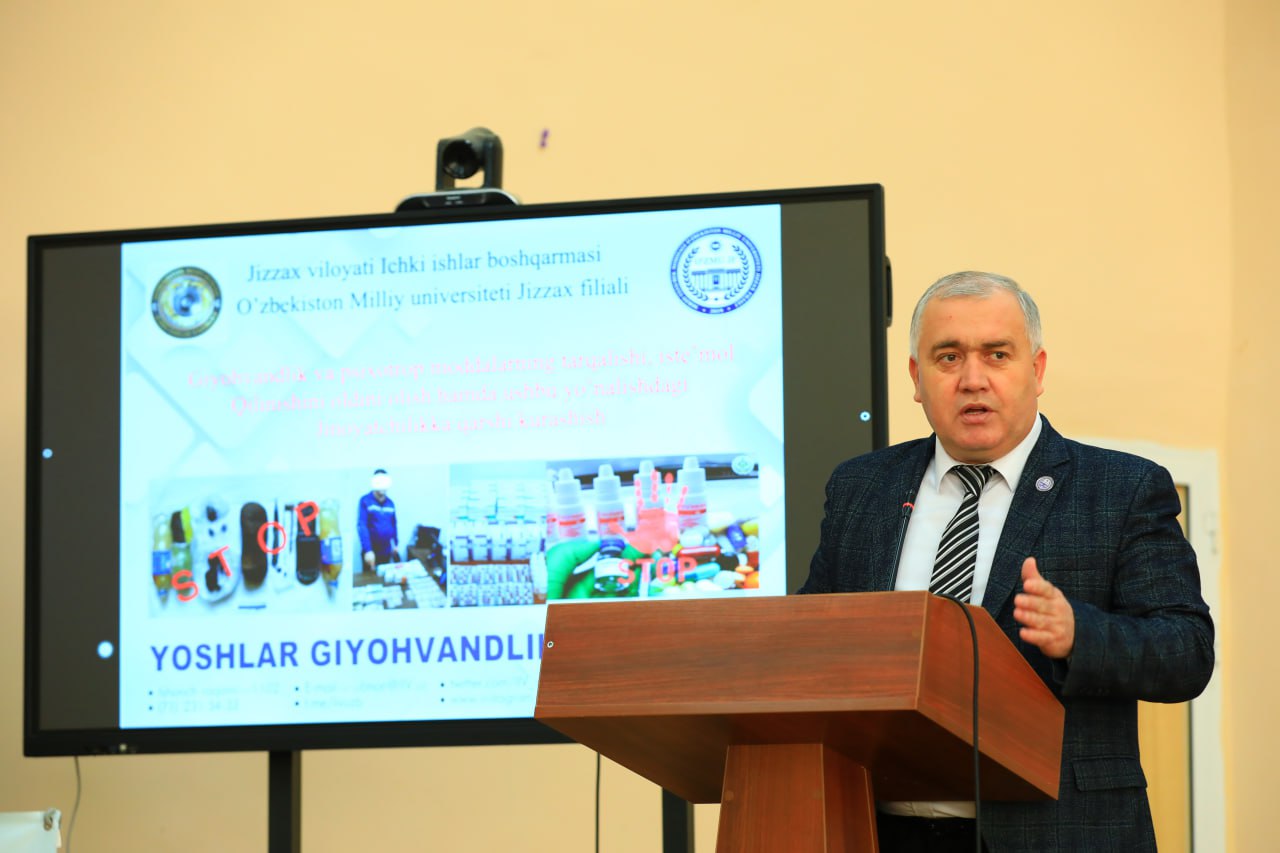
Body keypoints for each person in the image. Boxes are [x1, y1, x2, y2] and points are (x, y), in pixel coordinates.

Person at [801, 271, 1214, 851]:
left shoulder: (1120, 488)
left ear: (1036, 371)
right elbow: (810, 640)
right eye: (948, 357)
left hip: (1055, 832)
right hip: (877, 829)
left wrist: (1080, 635)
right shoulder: (862, 487)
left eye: (997, 354)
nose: (973, 379)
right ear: (917, 378)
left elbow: (1187, 651)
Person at [356, 468, 399, 572]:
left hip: (386, 551)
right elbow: (362, 525)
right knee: (370, 578)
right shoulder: (365, 501)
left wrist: (396, 543)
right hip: (371, 552)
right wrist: (368, 550)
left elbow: (394, 524)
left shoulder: (390, 503)